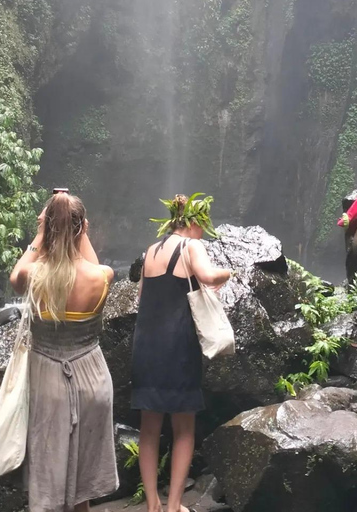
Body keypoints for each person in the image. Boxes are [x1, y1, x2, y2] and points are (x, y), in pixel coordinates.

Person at [9, 192, 118, 512]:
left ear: (49, 228)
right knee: (82, 485)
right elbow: (92, 265)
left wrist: (41, 234)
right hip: (94, 381)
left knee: (48, 476)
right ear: (83, 228)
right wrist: (77, 230)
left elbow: (16, 277)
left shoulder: (33, 275)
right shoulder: (103, 276)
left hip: (49, 381)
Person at [132, 194, 232, 512]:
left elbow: (142, 297)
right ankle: (174, 506)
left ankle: (152, 505)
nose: (203, 232)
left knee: (149, 426)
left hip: (146, 344)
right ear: (191, 222)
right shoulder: (191, 247)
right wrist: (227, 273)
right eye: (202, 225)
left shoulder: (151, 250)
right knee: (183, 426)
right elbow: (206, 276)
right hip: (178, 345)